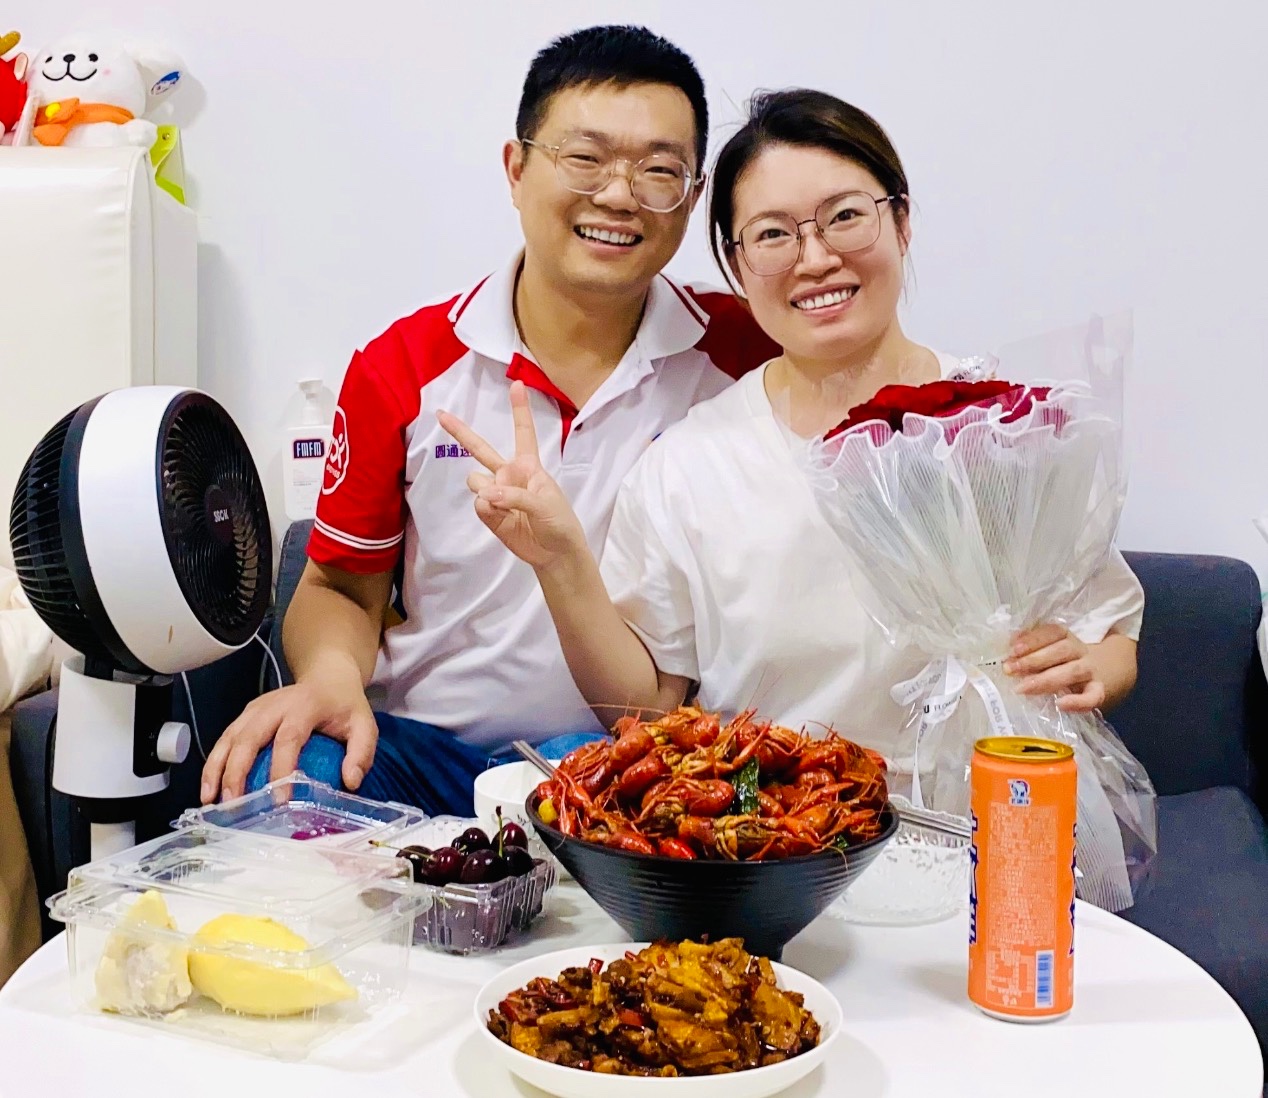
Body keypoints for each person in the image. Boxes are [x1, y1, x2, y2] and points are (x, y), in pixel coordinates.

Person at [439, 88, 1144, 762]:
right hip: (783, 827)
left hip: (994, 810)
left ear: (901, 222)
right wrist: (561, 561)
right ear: (737, 266)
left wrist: (1090, 668)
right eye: (773, 234)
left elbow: (1111, 635)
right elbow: (647, 709)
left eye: (845, 216)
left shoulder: (1003, 427)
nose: (816, 259)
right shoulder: (689, 466)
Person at [199, 26, 778, 811]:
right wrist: (332, 679)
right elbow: (339, 584)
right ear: (516, 168)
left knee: (636, 796)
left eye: (658, 171)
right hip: (422, 749)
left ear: (693, 195)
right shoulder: (404, 366)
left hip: (629, 763)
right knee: (288, 777)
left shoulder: (747, 361)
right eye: (585, 158)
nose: (618, 195)